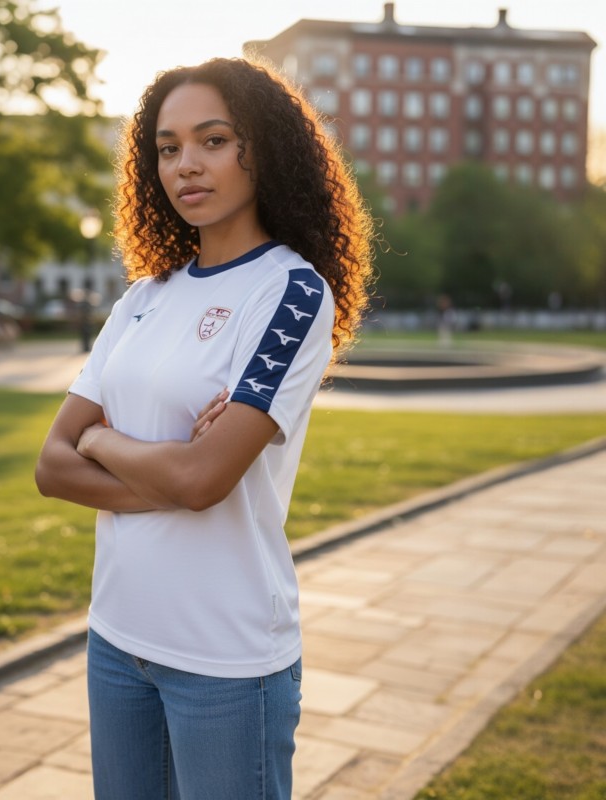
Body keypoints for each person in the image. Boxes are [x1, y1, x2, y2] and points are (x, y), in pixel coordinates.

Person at [35, 57, 373, 799]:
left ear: (265, 148)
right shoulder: (144, 297)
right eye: (167, 146)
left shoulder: (290, 291)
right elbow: (52, 466)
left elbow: (202, 479)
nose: (186, 164)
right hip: (117, 639)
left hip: (226, 659)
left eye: (213, 140)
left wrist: (104, 442)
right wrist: (152, 464)